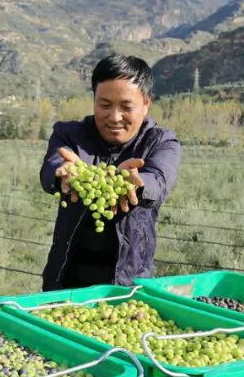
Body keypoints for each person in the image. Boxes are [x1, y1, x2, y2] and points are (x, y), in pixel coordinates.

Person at [40, 55, 181, 290]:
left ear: (146, 102)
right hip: (64, 282)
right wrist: (61, 173)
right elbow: (52, 166)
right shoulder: (69, 135)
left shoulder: (161, 142)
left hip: (129, 285)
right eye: (105, 105)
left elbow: (158, 180)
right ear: (94, 100)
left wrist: (138, 183)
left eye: (126, 107)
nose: (115, 117)